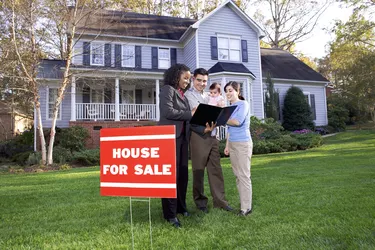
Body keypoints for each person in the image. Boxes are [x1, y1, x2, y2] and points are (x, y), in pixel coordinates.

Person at [185, 68, 232, 213]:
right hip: (198, 136)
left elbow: (214, 113)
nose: (202, 83)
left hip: (213, 136)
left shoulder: (209, 95)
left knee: (216, 170)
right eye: (199, 80)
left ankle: (220, 202)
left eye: (204, 81)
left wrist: (221, 109)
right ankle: (200, 203)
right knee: (198, 171)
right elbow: (193, 117)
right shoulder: (188, 95)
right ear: (193, 79)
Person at [158, 63, 196, 228]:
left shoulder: (183, 95)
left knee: (182, 175)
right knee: (170, 177)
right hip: (169, 138)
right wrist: (190, 114)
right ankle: (170, 215)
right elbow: (168, 112)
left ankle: (181, 207)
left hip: (182, 139)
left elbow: (188, 117)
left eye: (189, 79)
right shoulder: (168, 90)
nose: (187, 81)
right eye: (185, 78)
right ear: (176, 76)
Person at [223, 81, 253, 216]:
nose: (228, 93)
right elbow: (230, 129)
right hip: (233, 144)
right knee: (237, 175)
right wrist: (227, 145)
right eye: (226, 91)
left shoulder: (243, 104)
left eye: (230, 90)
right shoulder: (230, 107)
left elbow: (237, 122)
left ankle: (246, 208)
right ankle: (243, 204)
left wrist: (220, 117)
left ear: (237, 91)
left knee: (244, 175)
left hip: (243, 143)